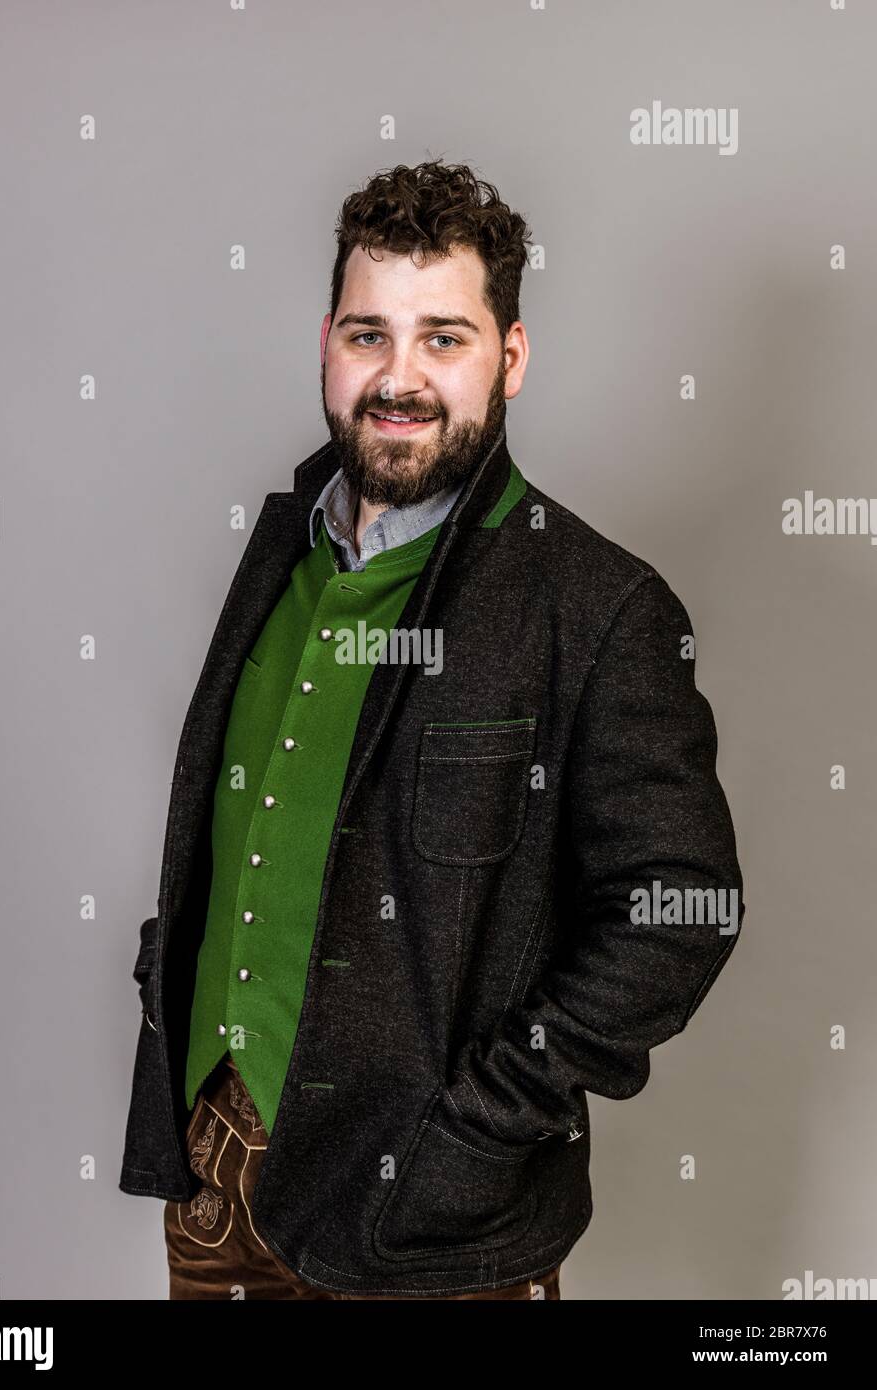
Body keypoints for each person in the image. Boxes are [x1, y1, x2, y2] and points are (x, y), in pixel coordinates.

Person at [119, 158, 745, 1300]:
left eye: (443, 339)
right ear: (325, 345)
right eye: (369, 334)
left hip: (432, 1228)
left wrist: (480, 1131)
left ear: (510, 358)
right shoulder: (280, 556)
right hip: (218, 1187)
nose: (398, 378)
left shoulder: (598, 606)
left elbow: (681, 911)